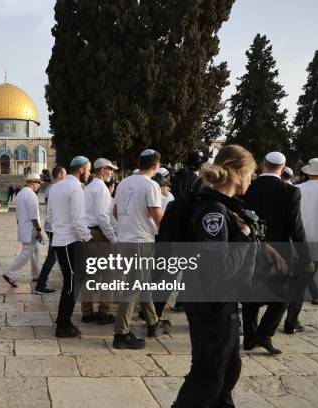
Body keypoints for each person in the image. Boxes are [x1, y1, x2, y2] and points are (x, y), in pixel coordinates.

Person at [172, 145, 264, 407]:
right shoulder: (213, 210)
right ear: (238, 172)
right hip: (210, 305)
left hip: (220, 303)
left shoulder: (224, 206)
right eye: (250, 173)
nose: (251, 179)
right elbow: (217, 269)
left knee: (228, 370)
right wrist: (244, 235)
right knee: (208, 377)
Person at [241, 152, 312, 354]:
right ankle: (264, 333)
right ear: (283, 168)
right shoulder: (290, 191)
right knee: (282, 295)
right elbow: (296, 227)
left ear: (263, 165)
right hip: (280, 250)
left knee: (249, 294)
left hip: (250, 247)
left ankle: (249, 337)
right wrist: (305, 257)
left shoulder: (248, 187)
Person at [112, 149, 171, 349]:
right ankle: (121, 333)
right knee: (133, 286)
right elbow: (155, 212)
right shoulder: (151, 185)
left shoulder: (123, 183)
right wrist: (167, 232)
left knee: (142, 282)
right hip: (140, 240)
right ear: (156, 166)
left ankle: (153, 322)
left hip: (126, 239)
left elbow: (114, 210)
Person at [49, 156, 93, 338]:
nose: (89, 173)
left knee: (73, 281)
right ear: (81, 169)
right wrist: (89, 239)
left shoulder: (56, 186)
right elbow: (78, 219)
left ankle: (63, 320)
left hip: (61, 239)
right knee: (72, 282)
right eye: (88, 170)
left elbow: (50, 215)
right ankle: (63, 325)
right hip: (69, 241)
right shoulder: (75, 187)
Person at [285, 158, 318, 329]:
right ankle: (291, 321)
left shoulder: (295, 189)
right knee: (302, 281)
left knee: (300, 281)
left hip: (299, 240)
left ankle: (292, 320)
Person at [82, 158, 118, 324]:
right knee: (109, 274)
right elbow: (102, 217)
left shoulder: (88, 188)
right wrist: (112, 238)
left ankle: (87, 312)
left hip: (88, 233)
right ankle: (104, 311)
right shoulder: (102, 188)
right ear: (102, 170)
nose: (112, 172)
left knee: (90, 274)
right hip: (99, 233)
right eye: (110, 169)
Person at [2, 174, 43, 287]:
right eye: (39, 183)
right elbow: (33, 215)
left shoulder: (20, 194)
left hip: (24, 227)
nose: (39, 186)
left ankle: (36, 274)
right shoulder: (31, 195)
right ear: (34, 183)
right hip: (31, 228)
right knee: (27, 252)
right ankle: (9, 273)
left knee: (34, 251)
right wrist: (38, 229)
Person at [34, 165, 66, 295]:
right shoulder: (58, 189)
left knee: (58, 255)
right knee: (52, 257)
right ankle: (40, 285)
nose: (66, 177)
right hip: (55, 228)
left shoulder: (49, 189)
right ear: (59, 175)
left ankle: (67, 279)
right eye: (64, 174)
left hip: (51, 226)